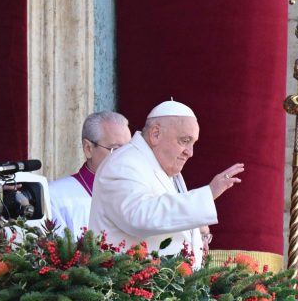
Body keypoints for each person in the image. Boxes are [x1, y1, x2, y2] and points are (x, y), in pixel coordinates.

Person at [89, 99, 243, 265]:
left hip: (170, 285)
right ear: (156, 134)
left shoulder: (166, 169)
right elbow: (139, 217)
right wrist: (207, 195)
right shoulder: (122, 163)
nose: (190, 152)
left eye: (193, 143)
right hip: (128, 285)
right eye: (184, 141)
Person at [49, 111, 132, 234]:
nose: (125, 158)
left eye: (129, 150)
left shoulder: (137, 193)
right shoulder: (55, 196)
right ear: (88, 148)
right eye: (116, 149)